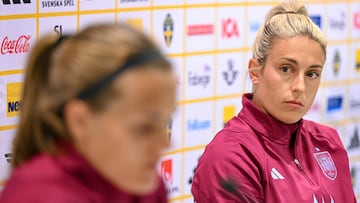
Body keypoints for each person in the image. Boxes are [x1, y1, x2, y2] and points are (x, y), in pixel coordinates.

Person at [191, 1, 356, 203]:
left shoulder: (328, 141)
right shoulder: (230, 156)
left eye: (312, 73)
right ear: (255, 72)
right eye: (286, 69)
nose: (300, 87)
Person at [0, 23, 177, 203]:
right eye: (144, 128)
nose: (165, 144)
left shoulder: (145, 186)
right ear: (79, 121)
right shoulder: (39, 197)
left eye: (164, 123)